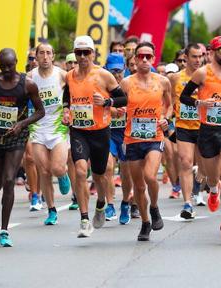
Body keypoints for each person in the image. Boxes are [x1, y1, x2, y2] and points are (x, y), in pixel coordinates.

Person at [180, 36, 221, 240]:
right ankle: (213, 190)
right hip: (207, 131)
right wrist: (200, 104)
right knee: (212, 178)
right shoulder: (202, 73)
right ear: (213, 52)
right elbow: (184, 97)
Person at [63, 35, 128, 237]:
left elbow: (123, 98)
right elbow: (68, 95)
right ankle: (84, 219)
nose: (82, 57)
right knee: (81, 171)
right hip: (78, 130)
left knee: (100, 175)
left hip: (100, 131)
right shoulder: (70, 75)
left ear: (93, 53)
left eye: (86, 52)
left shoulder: (104, 75)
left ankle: (101, 203)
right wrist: (66, 110)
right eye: (79, 53)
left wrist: (107, 103)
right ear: (75, 54)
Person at [0, 48, 45, 246]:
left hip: (16, 137)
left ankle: (4, 231)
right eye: (3, 66)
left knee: (9, 180)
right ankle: (3, 227)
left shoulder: (28, 84)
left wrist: (21, 124)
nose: (7, 70)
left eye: (11, 65)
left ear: (17, 62)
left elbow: (40, 112)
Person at [121, 42, 172, 241]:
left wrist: (166, 117)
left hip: (154, 136)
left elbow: (169, 105)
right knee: (139, 186)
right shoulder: (126, 83)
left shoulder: (163, 82)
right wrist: (117, 110)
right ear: (134, 59)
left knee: (150, 176)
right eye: (140, 56)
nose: (144, 60)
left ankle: (155, 207)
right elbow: (117, 103)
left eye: (148, 56)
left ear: (153, 59)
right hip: (132, 138)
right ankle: (145, 222)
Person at [27, 43, 71, 226]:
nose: (45, 56)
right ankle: (51, 210)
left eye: (48, 53)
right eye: (41, 53)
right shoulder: (30, 78)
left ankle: (63, 175)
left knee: (57, 168)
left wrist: (69, 111)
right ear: (36, 57)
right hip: (37, 128)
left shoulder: (61, 74)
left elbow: (73, 92)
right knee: (43, 170)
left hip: (58, 128)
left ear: (53, 56)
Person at [168, 43, 205, 219]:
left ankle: (201, 182)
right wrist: (166, 117)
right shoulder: (175, 78)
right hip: (183, 126)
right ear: (187, 58)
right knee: (185, 163)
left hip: (204, 126)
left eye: (200, 56)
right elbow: (168, 100)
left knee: (205, 167)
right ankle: (187, 203)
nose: (198, 60)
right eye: (194, 57)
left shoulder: (207, 76)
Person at [103, 52, 139, 223]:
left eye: (118, 70)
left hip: (126, 134)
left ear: (125, 69)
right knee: (108, 167)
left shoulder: (130, 84)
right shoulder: (103, 85)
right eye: (112, 71)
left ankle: (125, 202)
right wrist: (111, 110)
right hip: (108, 133)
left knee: (126, 173)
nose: (115, 75)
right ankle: (110, 204)